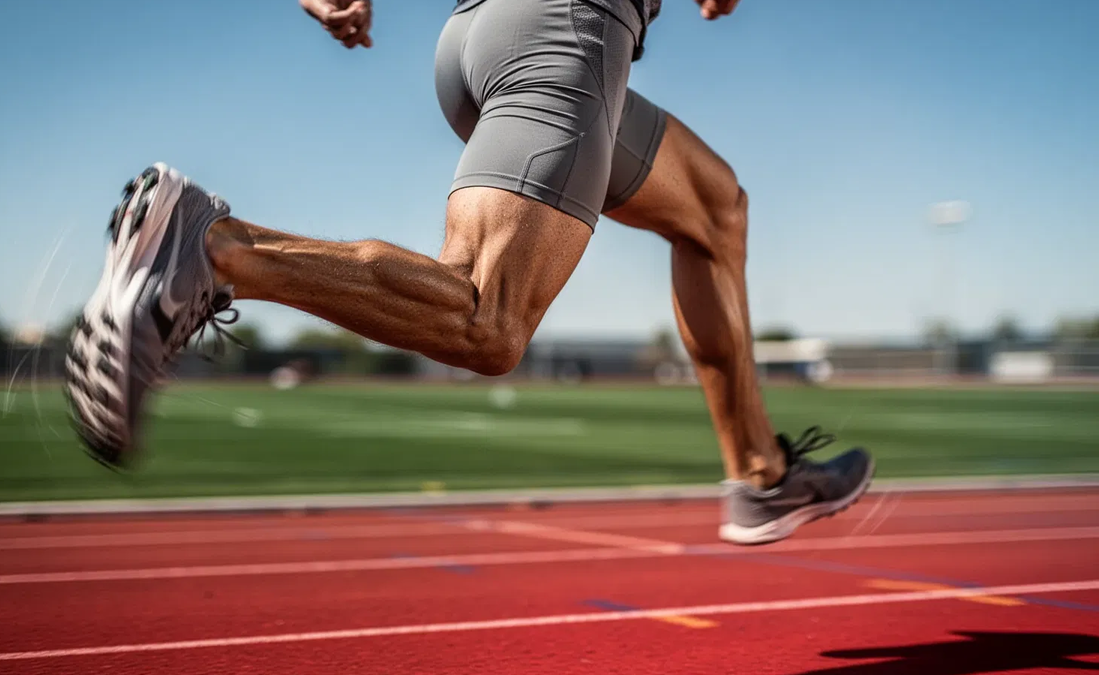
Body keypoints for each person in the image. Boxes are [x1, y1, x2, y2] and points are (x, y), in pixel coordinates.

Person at [64, 0, 873, 545]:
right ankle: (213, 247)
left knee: (715, 208)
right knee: (489, 321)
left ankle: (761, 474)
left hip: (495, 38)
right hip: (567, 35)